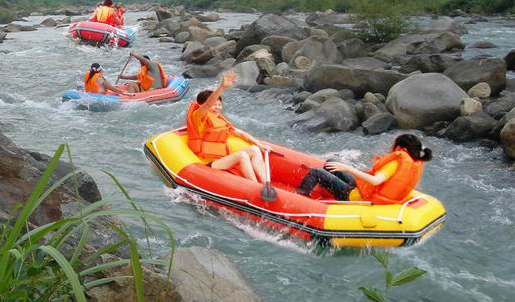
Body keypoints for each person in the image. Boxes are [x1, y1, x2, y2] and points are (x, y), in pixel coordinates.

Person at [296, 134, 432, 203]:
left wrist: (347, 168)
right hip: (365, 189)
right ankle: (325, 191)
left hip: (357, 196)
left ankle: (299, 200)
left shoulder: (395, 163)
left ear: (402, 148)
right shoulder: (412, 163)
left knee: (316, 172)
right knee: (331, 163)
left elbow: (375, 181)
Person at [185, 70, 269, 183]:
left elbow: (240, 133)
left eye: (219, 105)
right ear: (201, 105)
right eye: (214, 105)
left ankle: (266, 183)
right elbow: (208, 104)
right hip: (207, 164)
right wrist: (222, 88)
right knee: (242, 155)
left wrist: (259, 144)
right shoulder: (198, 116)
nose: (217, 107)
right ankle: (255, 186)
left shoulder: (218, 120)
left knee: (255, 149)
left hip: (221, 159)